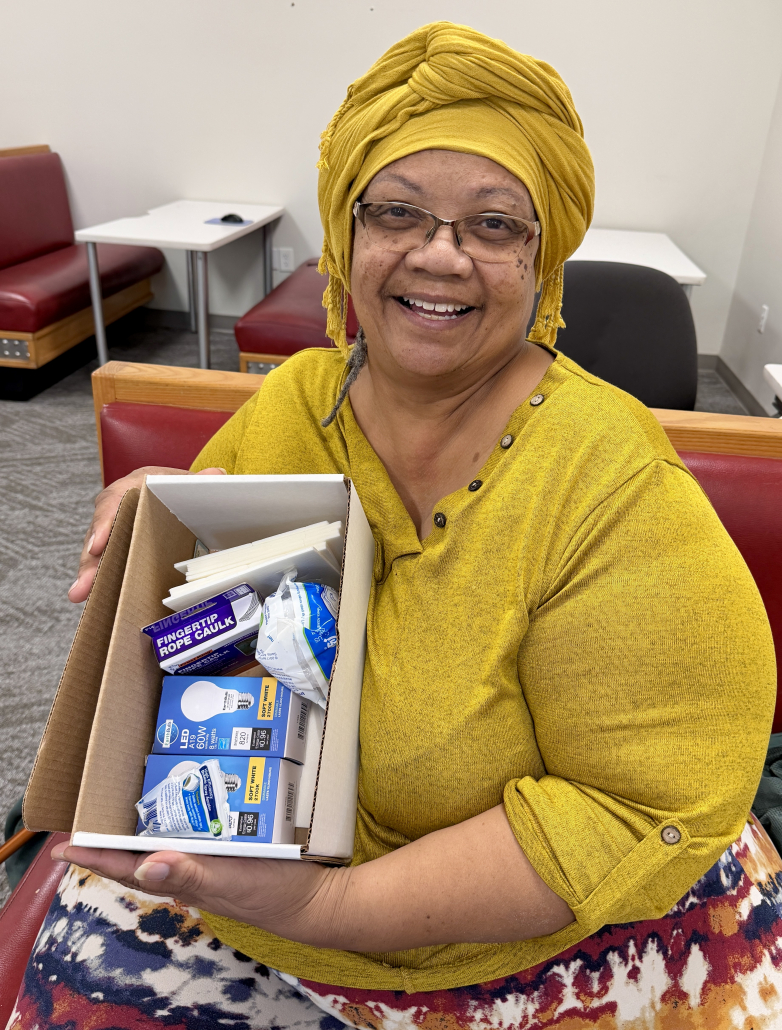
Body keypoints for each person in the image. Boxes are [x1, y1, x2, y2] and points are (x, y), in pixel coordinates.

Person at [12, 22, 782, 1030]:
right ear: (348, 236)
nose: (439, 254)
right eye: (397, 212)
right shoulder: (294, 403)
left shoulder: (606, 478)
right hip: (260, 882)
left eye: (493, 224)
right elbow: (208, 633)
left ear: (540, 258)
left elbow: (626, 808)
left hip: (557, 936)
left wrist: (325, 907)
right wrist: (167, 514)